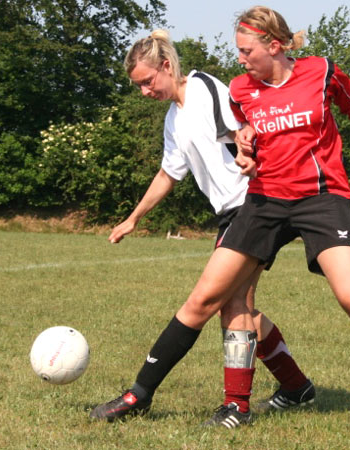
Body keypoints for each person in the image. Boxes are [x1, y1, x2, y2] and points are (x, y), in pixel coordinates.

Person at [90, 30, 314, 428]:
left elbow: (248, 127)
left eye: (148, 81)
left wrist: (256, 160)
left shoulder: (205, 88)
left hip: (254, 204)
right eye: (138, 86)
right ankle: (295, 387)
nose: (145, 91)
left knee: (212, 302)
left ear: (166, 66)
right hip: (233, 213)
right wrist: (133, 218)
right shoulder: (174, 119)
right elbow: (168, 174)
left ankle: (147, 394)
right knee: (240, 305)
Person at [222, 7, 350, 422]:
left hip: (322, 198)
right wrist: (245, 151)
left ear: (274, 46)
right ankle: (236, 405)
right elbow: (248, 132)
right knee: (226, 297)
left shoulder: (321, 72)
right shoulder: (240, 89)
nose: (240, 60)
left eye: (246, 51)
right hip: (266, 200)